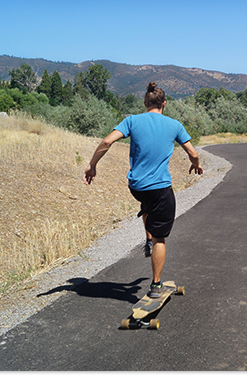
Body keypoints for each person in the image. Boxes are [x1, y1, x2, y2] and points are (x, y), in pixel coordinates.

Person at [83, 82, 203, 298]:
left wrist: (92, 166)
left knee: (147, 205)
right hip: (160, 188)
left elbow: (106, 142)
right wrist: (196, 164)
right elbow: (193, 153)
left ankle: (147, 238)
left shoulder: (132, 120)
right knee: (160, 238)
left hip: (137, 187)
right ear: (164, 104)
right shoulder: (174, 124)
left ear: (145, 103)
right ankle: (156, 284)